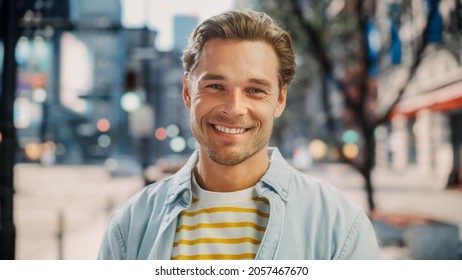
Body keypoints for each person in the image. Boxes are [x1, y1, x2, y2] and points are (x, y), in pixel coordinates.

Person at [98, 10, 380, 260]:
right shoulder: (130, 226)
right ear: (187, 91)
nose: (234, 109)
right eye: (216, 86)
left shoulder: (340, 228)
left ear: (280, 100)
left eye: (255, 90)